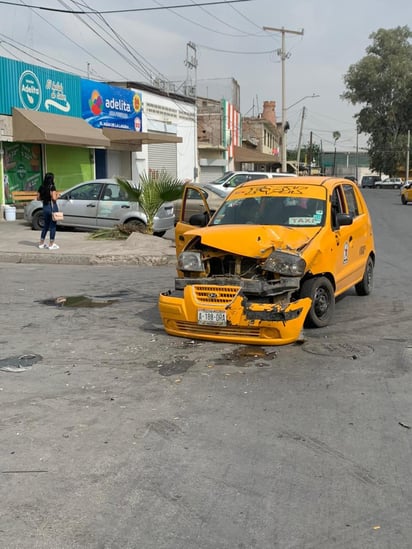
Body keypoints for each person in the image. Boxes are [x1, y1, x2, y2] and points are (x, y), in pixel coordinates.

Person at [37, 172, 59, 250]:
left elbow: (38, 198)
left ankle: (41, 243)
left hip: (45, 207)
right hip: (52, 207)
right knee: (52, 226)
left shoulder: (41, 187)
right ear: (51, 179)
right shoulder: (52, 187)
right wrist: (57, 195)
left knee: (46, 225)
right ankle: (51, 244)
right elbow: (54, 198)